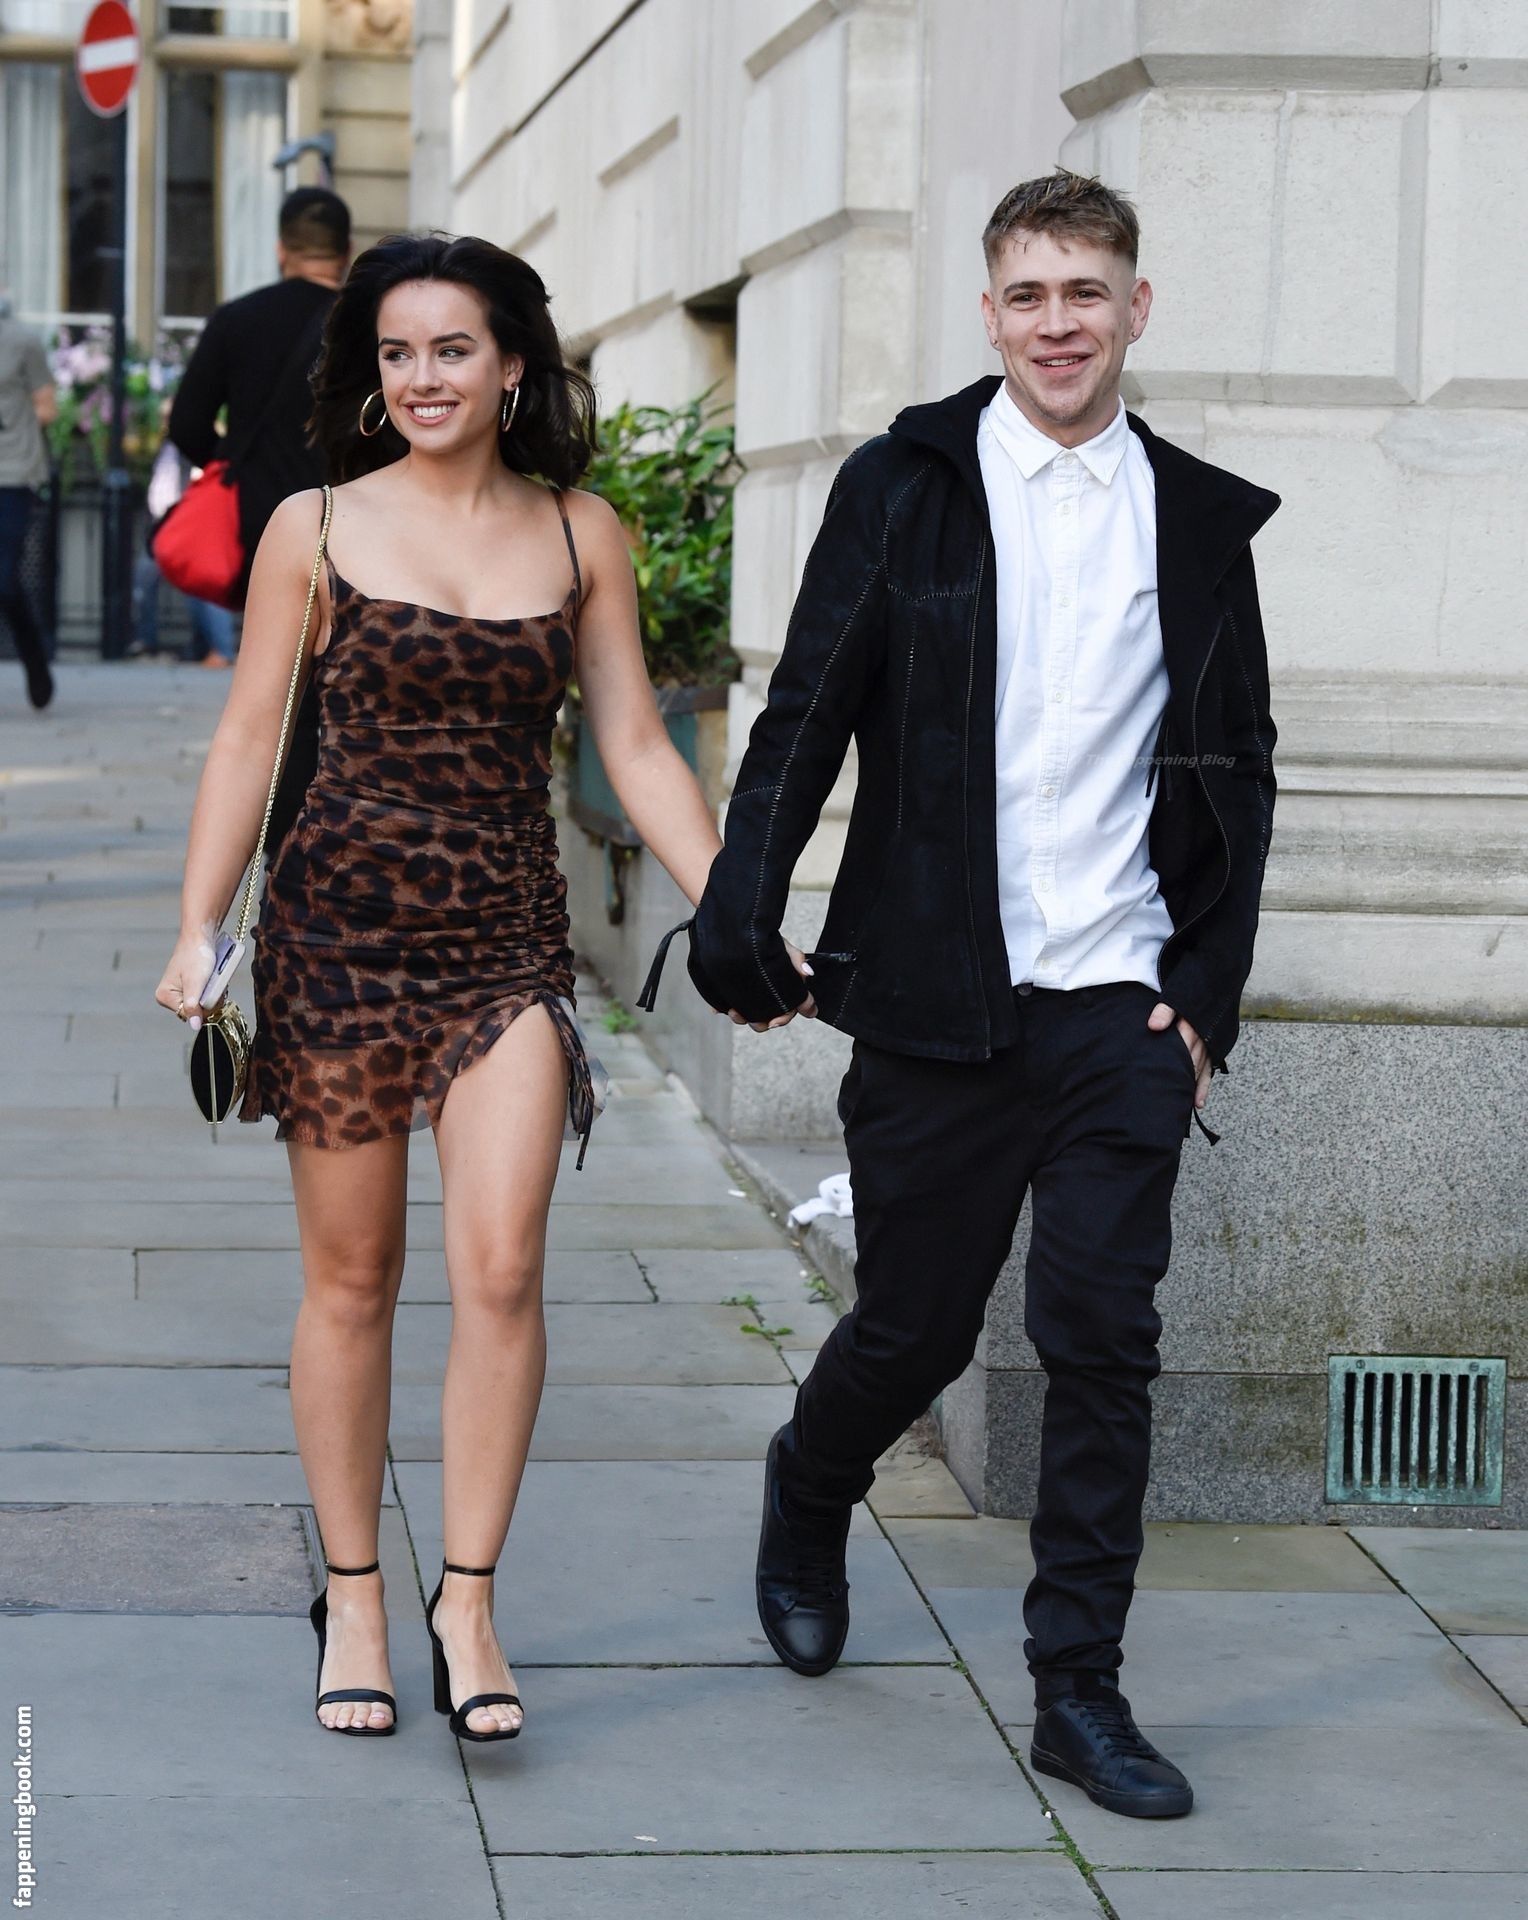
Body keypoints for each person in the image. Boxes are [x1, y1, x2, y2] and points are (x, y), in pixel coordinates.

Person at [642, 169, 1280, 1821]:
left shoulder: (1196, 519)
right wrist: (738, 915)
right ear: (988, 314)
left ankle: (1080, 1690)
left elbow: (1240, 764)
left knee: (1102, 1339)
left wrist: (1201, 997)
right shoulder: (906, 486)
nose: (1058, 324)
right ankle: (811, 1482)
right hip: (937, 992)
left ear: (1134, 309)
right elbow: (805, 711)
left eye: (1086, 293)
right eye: (1029, 295)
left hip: (1117, 1003)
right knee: (917, 1325)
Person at [154, 232, 725, 1741]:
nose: (422, 378)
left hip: (507, 950)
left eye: (451, 350)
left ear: (512, 364)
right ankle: (354, 1593)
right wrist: (198, 926)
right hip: (336, 944)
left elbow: (637, 743)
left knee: (504, 1270)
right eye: (397, 353)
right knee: (352, 1283)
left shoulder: (581, 532)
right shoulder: (316, 526)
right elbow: (248, 737)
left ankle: (466, 1600)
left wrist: (737, 906)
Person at [169, 188, 352, 833]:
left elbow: (187, 424)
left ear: (281, 249)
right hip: (355, 519)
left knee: (276, 687)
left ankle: (283, 836)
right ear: (345, 252)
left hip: (262, 522)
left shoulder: (237, 319)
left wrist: (235, 460)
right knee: (344, 676)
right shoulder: (362, 324)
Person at [0, 292, 57, 709]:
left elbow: (47, 407)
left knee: (4, 579)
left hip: (13, 470)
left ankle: (35, 658)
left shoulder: (22, 341)